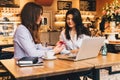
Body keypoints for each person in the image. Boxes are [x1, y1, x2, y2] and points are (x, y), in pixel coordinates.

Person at [13, 2, 66, 80]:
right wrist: (54, 51)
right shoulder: (21, 30)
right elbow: (32, 53)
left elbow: (37, 47)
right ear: (32, 15)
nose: (41, 17)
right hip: (23, 70)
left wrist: (53, 48)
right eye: (40, 14)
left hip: (30, 67)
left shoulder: (27, 30)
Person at [59, 8, 91, 80]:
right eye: (68, 19)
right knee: (60, 74)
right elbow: (61, 49)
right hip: (69, 62)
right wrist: (71, 51)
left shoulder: (84, 31)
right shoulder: (63, 33)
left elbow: (89, 47)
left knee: (71, 73)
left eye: (73, 19)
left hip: (83, 62)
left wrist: (80, 51)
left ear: (77, 20)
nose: (70, 21)